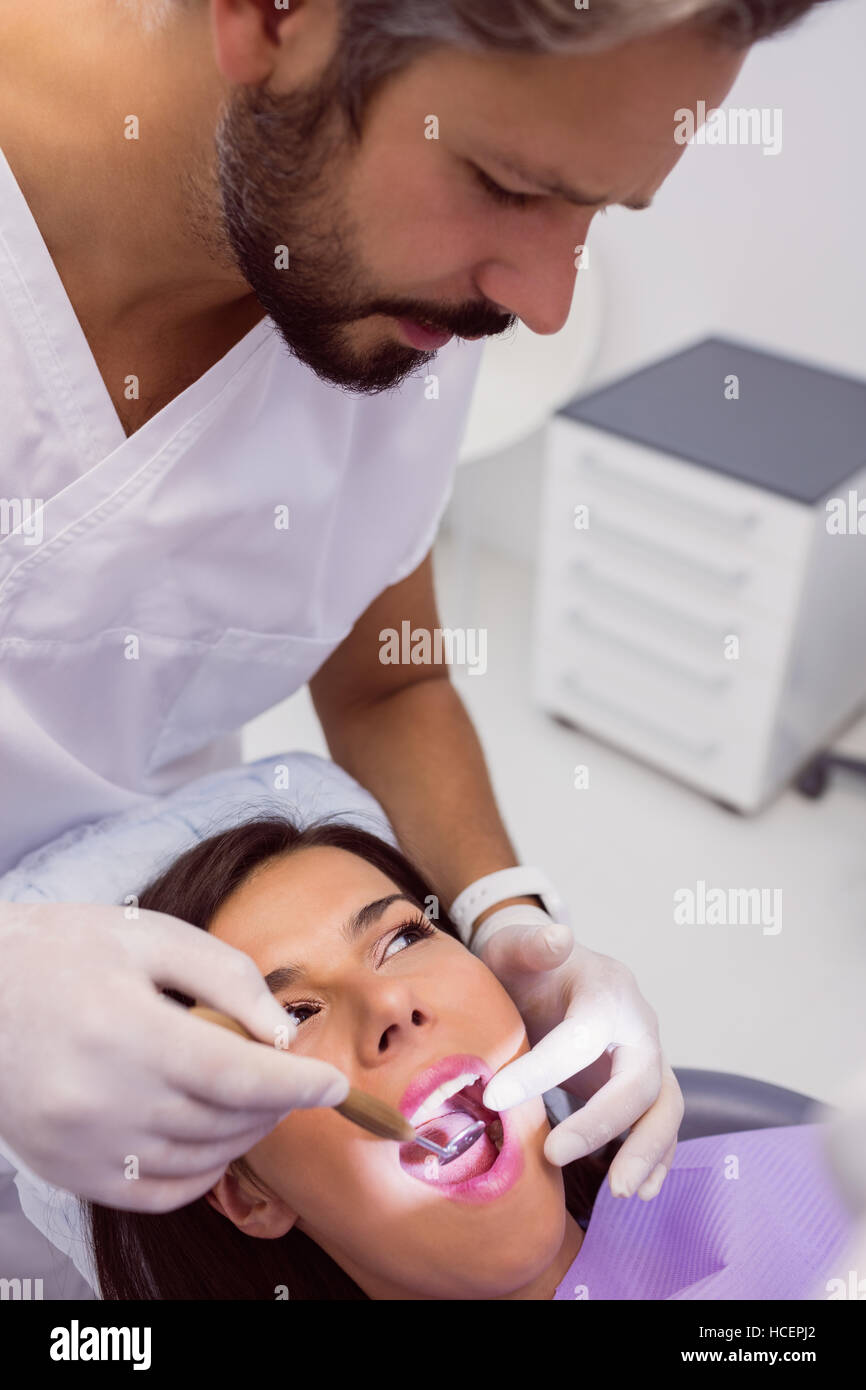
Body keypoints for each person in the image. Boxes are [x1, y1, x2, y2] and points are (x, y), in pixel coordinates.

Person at [0, 0, 828, 1232]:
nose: (545, 302)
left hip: (158, 978)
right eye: (505, 183)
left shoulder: (395, 295)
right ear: (274, 20)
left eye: (595, 211)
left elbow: (388, 681)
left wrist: (505, 917)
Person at [86, 816, 852, 1300]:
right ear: (248, 1195)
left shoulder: (805, 1205)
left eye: (402, 938)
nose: (389, 1005)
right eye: (290, 1016)